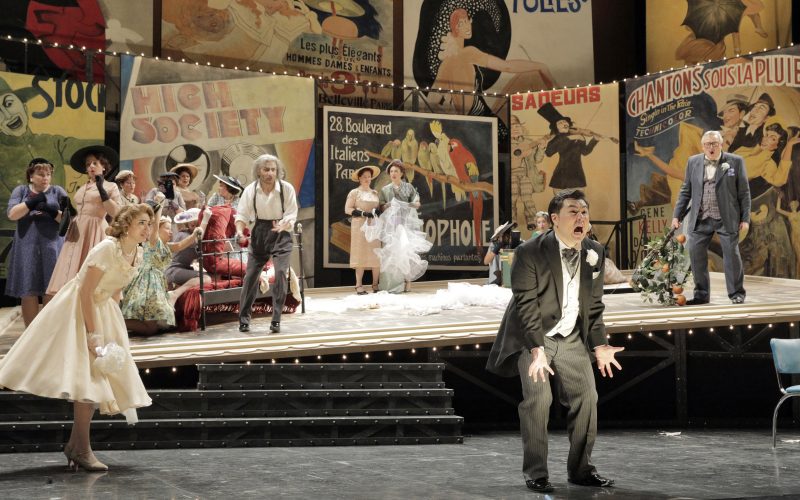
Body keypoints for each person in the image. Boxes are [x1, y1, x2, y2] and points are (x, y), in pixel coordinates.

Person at [486, 189, 623, 493]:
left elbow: (594, 305)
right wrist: (537, 351)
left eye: (584, 212)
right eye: (573, 211)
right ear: (554, 219)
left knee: (588, 398)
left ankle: (581, 469)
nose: (581, 217)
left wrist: (600, 345)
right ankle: (536, 472)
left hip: (572, 336)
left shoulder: (595, 252)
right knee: (539, 399)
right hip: (533, 337)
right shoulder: (530, 252)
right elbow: (526, 306)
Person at [0, 204, 154, 471]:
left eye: (148, 224)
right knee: (88, 381)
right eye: (142, 223)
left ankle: (76, 446)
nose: (146, 229)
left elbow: (115, 292)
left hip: (104, 310)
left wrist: (114, 328)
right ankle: (81, 449)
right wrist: (93, 334)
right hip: (78, 311)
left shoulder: (136, 253)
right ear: (126, 224)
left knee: (94, 382)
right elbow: (85, 292)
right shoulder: (107, 248)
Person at [672, 130, 751, 305]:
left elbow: (744, 193)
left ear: (721, 144)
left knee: (731, 255)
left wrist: (745, 219)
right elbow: (686, 190)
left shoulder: (735, 162)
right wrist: (677, 215)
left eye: (714, 143)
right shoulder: (693, 162)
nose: (711, 147)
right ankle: (701, 294)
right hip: (701, 217)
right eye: (707, 144)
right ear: (703, 146)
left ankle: (736, 293)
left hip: (727, 217)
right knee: (696, 255)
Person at [121, 204, 209, 336]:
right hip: (145, 282)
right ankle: (117, 320)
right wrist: (160, 206)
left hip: (155, 283)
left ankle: (119, 321)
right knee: (150, 328)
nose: (171, 231)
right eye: (167, 228)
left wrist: (197, 231)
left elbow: (180, 245)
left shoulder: (164, 246)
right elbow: (155, 227)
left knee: (152, 327)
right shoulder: (152, 241)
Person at [46, 145, 121, 296]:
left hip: (95, 230)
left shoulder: (110, 186)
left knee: (92, 276)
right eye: (88, 164)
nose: (91, 166)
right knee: (71, 273)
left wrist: (101, 189)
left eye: (95, 163)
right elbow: (80, 212)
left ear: (104, 167)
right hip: (77, 231)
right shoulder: (82, 187)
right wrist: (69, 209)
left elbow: (116, 212)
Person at [236, 154, 298, 334]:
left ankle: (276, 319)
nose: (270, 173)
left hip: (282, 234)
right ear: (258, 171)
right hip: (260, 233)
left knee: (280, 273)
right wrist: (240, 232)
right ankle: (244, 319)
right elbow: (241, 215)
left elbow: (292, 214)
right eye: (266, 169)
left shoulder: (286, 189)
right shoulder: (251, 190)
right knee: (250, 277)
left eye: (273, 169)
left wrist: (284, 224)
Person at [5, 158, 67, 326]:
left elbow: (68, 219)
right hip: (27, 246)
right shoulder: (21, 190)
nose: (45, 178)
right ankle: (30, 334)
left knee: (52, 288)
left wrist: (50, 210)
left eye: (48, 174)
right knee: (29, 289)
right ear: (31, 176)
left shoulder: (57, 191)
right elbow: (12, 214)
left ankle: (46, 331)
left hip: (52, 246)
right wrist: (31, 202)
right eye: (40, 174)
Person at [375, 159, 430, 293]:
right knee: (390, 253)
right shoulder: (385, 189)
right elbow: (381, 207)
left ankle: (408, 282)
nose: (393, 173)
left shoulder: (408, 187)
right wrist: (388, 205)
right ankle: (389, 284)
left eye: (396, 171)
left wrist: (408, 204)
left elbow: (417, 203)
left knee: (405, 252)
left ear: (401, 173)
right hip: (390, 225)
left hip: (404, 224)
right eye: (391, 171)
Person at [345, 165, 381, 295]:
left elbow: (378, 207)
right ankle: (358, 285)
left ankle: (375, 284)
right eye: (364, 176)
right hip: (360, 226)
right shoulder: (354, 192)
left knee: (376, 254)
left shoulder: (374, 193)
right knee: (360, 254)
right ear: (359, 178)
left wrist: (377, 211)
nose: (367, 179)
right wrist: (362, 214)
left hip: (373, 226)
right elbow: (347, 209)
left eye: (369, 177)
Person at [164, 208, 212, 289]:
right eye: (191, 223)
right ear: (187, 223)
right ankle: (175, 294)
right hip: (173, 270)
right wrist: (205, 220)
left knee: (210, 276)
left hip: (184, 269)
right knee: (206, 279)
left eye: (196, 223)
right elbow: (196, 238)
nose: (193, 224)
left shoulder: (200, 237)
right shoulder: (182, 235)